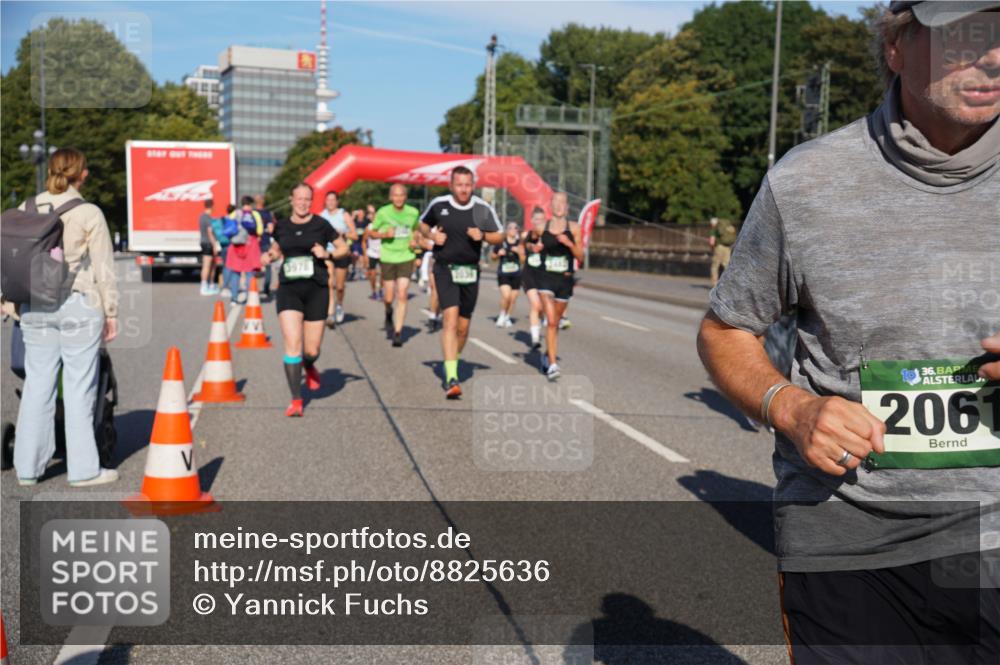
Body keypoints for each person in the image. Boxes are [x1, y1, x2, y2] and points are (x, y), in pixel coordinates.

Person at [698, 2, 1000, 663]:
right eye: (963, 35)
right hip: (847, 543)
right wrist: (794, 408)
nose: (993, 55)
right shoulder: (807, 183)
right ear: (895, 46)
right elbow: (725, 331)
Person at [14, 148, 120, 486]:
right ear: (82, 174)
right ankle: (84, 470)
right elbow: (104, 267)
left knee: (36, 386)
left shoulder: (25, 208)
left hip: (33, 307)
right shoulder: (88, 212)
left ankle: (28, 469)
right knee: (78, 388)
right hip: (77, 304)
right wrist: (111, 312)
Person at [261, 183, 350, 417]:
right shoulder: (281, 225)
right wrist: (269, 256)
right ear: (291, 199)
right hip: (289, 288)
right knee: (292, 343)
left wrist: (327, 253)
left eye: (307, 199)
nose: (303, 203)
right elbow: (277, 248)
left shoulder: (321, 225)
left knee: (311, 349)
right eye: (299, 198)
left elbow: (344, 248)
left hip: (316, 289)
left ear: (312, 202)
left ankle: (309, 366)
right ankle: (296, 400)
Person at [419, 166, 503, 398]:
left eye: (468, 185)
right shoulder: (439, 205)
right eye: (459, 185)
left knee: (464, 328)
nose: (464, 190)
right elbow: (422, 225)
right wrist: (432, 236)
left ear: (473, 185)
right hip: (445, 268)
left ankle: (451, 360)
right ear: (451, 185)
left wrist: (483, 236)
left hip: (470, 271)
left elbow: (500, 235)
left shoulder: (482, 208)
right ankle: (452, 377)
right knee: (450, 320)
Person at [534, 192, 584, 381]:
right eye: (555, 202)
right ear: (551, 206)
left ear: (567, 207)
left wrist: (570, 244)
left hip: (564, 280)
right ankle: (553, 364)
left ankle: (547, 355)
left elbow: (580, 257)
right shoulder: (541, 228)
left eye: (562, 202)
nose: (558, 205)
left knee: (555, 319)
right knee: (552, 321)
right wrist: (534, 248)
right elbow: (529, 244)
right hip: (545, 277)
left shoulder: (575, 228)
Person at [370, 184, 421, 347]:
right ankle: (388, 311)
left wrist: (415, 241)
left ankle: (398, 332)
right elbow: (371, 232)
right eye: (395, 195)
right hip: (388, 257)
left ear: (405, 196)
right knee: (389, 297)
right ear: (391, 197)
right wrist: (384, 234)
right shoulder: (383, 212)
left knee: (403, 294)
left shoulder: (413, 213)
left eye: (401, 195)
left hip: (406, 256)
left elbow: (416, 230)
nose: (398, 198)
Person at [319, 191, 357, 328]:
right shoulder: (321, 216)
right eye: (328, 200)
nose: (330, 202)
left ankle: (339, 304)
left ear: (337, 201)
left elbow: (355, 235)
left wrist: (343, 233)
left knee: (339, 286)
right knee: (329, 283)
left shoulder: (344, 214)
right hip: (327, 252)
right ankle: (330, 313)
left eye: (333, 200)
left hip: (341, 252)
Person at [224, 196, 264, 305]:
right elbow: (260, 231)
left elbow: (228, 226)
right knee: (249, 272)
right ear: (251, 204)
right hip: (250, 244)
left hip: (236, 246)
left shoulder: (235, 213)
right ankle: (248, 297)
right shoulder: (255, 214)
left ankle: (234, 298)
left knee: (235, 272)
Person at [521, 207, 547, 349]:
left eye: (542, 220)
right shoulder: (527, 234)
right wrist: (532, 247)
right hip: (529, 274)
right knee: (535, 305)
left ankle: (538, 324)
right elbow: (527, 244)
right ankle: (535, 338)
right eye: (536, 219)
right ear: (531, 220)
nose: (539, 222)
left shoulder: (549, 235)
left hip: (544, 275)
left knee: (542, 307)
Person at [492, 222, 525, 328]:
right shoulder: (501, 243)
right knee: (506, 296)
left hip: (516, 274)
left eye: (516, 228)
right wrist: (498, 254)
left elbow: (524, 260)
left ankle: (507, 317)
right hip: (503, 273)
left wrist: (519, 253)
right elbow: (493, 257)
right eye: (510, 228)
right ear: (507, 230)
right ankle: (502, 315)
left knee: (513, 299)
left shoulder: (520, 244)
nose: (513, 229)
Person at [254, 194, 275, 300]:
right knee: (268, 267)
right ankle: (266, 290)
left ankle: (252, 289)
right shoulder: (267, 214)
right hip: (265, 242)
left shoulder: (252, 213)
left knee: (253, 267)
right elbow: (271, 229)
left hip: (253, 244)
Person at [708, 216, 739, 287]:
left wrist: (712, 248)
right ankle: (728, 283)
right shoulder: (725, 227)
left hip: (719, 248)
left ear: (713, 223)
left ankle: (714, 283)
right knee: (726, 265)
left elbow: (712, 242)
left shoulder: (714, 229)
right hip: (727, 247)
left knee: (715, 266)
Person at [198, 198, 220, 295]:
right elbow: (210, 232)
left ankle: (210, 284)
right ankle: (204, 286)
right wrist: (214, 245)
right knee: (207, 265)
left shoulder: (201, 217)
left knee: (211, 265)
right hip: (208, 243)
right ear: (211, 206)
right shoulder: (208, 218)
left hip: (203, 241)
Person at [363, 218, 382, 301]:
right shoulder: (369, 227)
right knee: (373, 274)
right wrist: (365, 255)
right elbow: (363, 241)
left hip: (383, 253)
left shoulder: (385, 227)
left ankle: (381, 290)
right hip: (372, 253)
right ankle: (374, 291)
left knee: (384, 275)